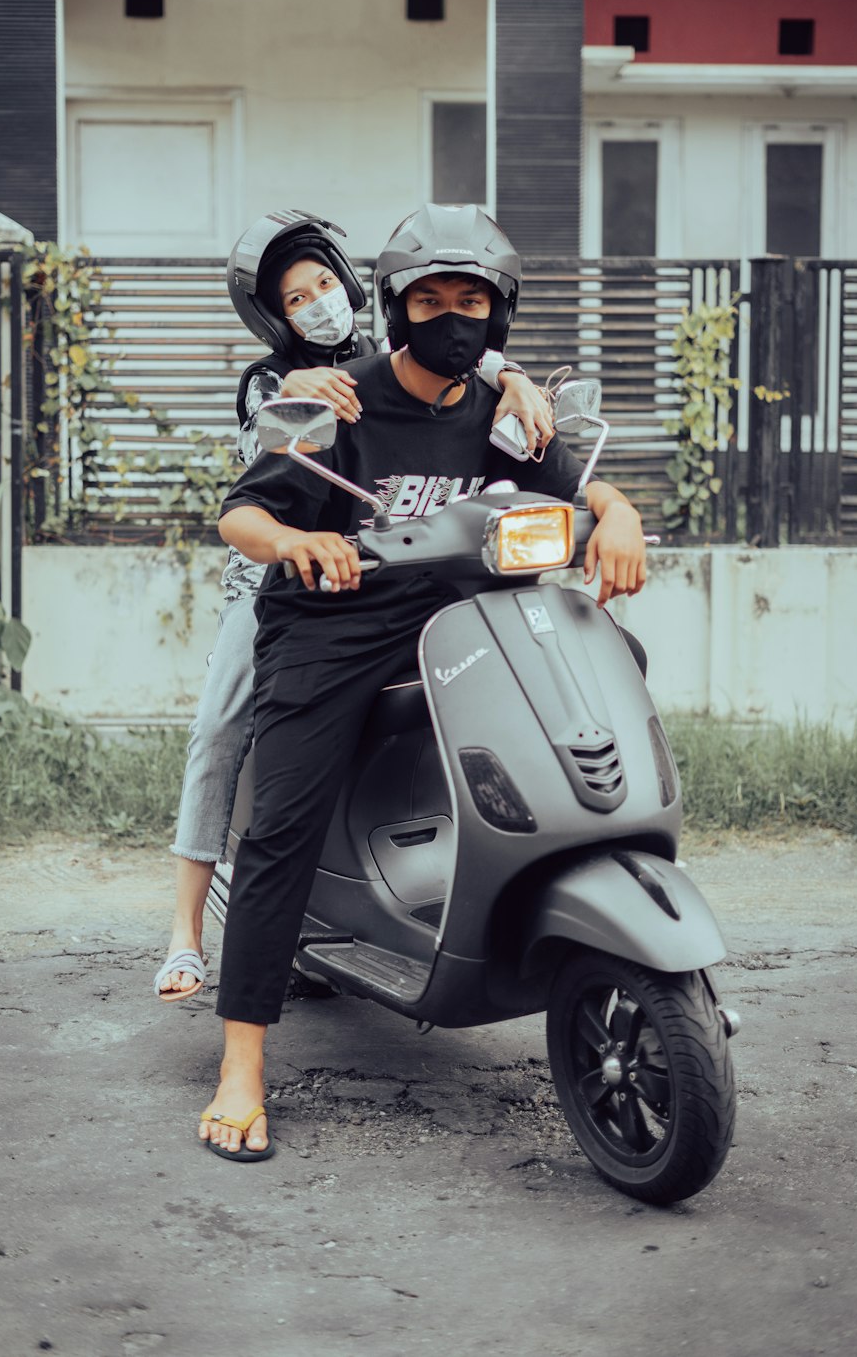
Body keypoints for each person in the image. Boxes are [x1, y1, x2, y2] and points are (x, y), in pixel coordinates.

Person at [198, 204, 647, 1161]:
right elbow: (240, 516)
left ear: (498, 315)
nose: (453, 317)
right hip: (333, 621)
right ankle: (241, 1062)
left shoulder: (501, 409)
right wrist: (299, 539)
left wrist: (618, 513)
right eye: (430, 298)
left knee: (595, 677)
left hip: (457, 613)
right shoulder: (339, 399)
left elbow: (576, 486)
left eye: (471, 300)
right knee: (279, 822)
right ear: (397, 308)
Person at [154, 210, 556, 1000]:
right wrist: (298, 393)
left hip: (401, 576)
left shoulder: (390, 353)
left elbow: (470, 369)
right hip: (284, 580)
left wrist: (514, 381)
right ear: (276, 314)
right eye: (297, 298)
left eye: (326, 284)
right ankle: (185, 931)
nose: (318, 304)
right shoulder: (271, 382)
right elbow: (256, 496)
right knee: (223, 723)